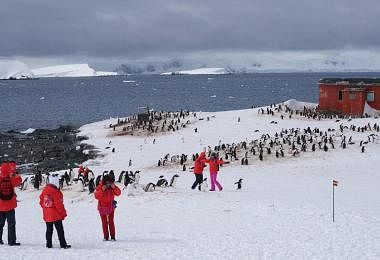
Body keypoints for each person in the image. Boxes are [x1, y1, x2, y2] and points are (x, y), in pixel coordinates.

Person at [39, 174, 71, 249]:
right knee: (60, 230)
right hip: (56, 215)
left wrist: (45, 208)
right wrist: (63, 213)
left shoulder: (45, 190)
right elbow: (59, 205)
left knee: (49, 230)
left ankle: (48, 244)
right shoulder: (56, 192)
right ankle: (63, 244)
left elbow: (41, 201)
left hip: (47, 214)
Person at [0, 161, 22, 246]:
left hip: (0, 206)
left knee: (0, 224)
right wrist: (13, 172)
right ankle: (11, 241)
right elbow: (19, 181)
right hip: (10, 205)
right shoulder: (11, 178)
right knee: (11, 224)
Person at [94, 174, 121, 241]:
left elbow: (118, 193)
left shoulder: (112, 187)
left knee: (111, 221)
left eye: (109, 182)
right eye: (107, 183)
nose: (108, 184)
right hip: (102, 207)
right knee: (104, 222)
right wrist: (102, 190)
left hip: (110, 206)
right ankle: (106, 237)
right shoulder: (100, 187)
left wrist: (114, 187)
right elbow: (96, 196)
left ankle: (113, 236)